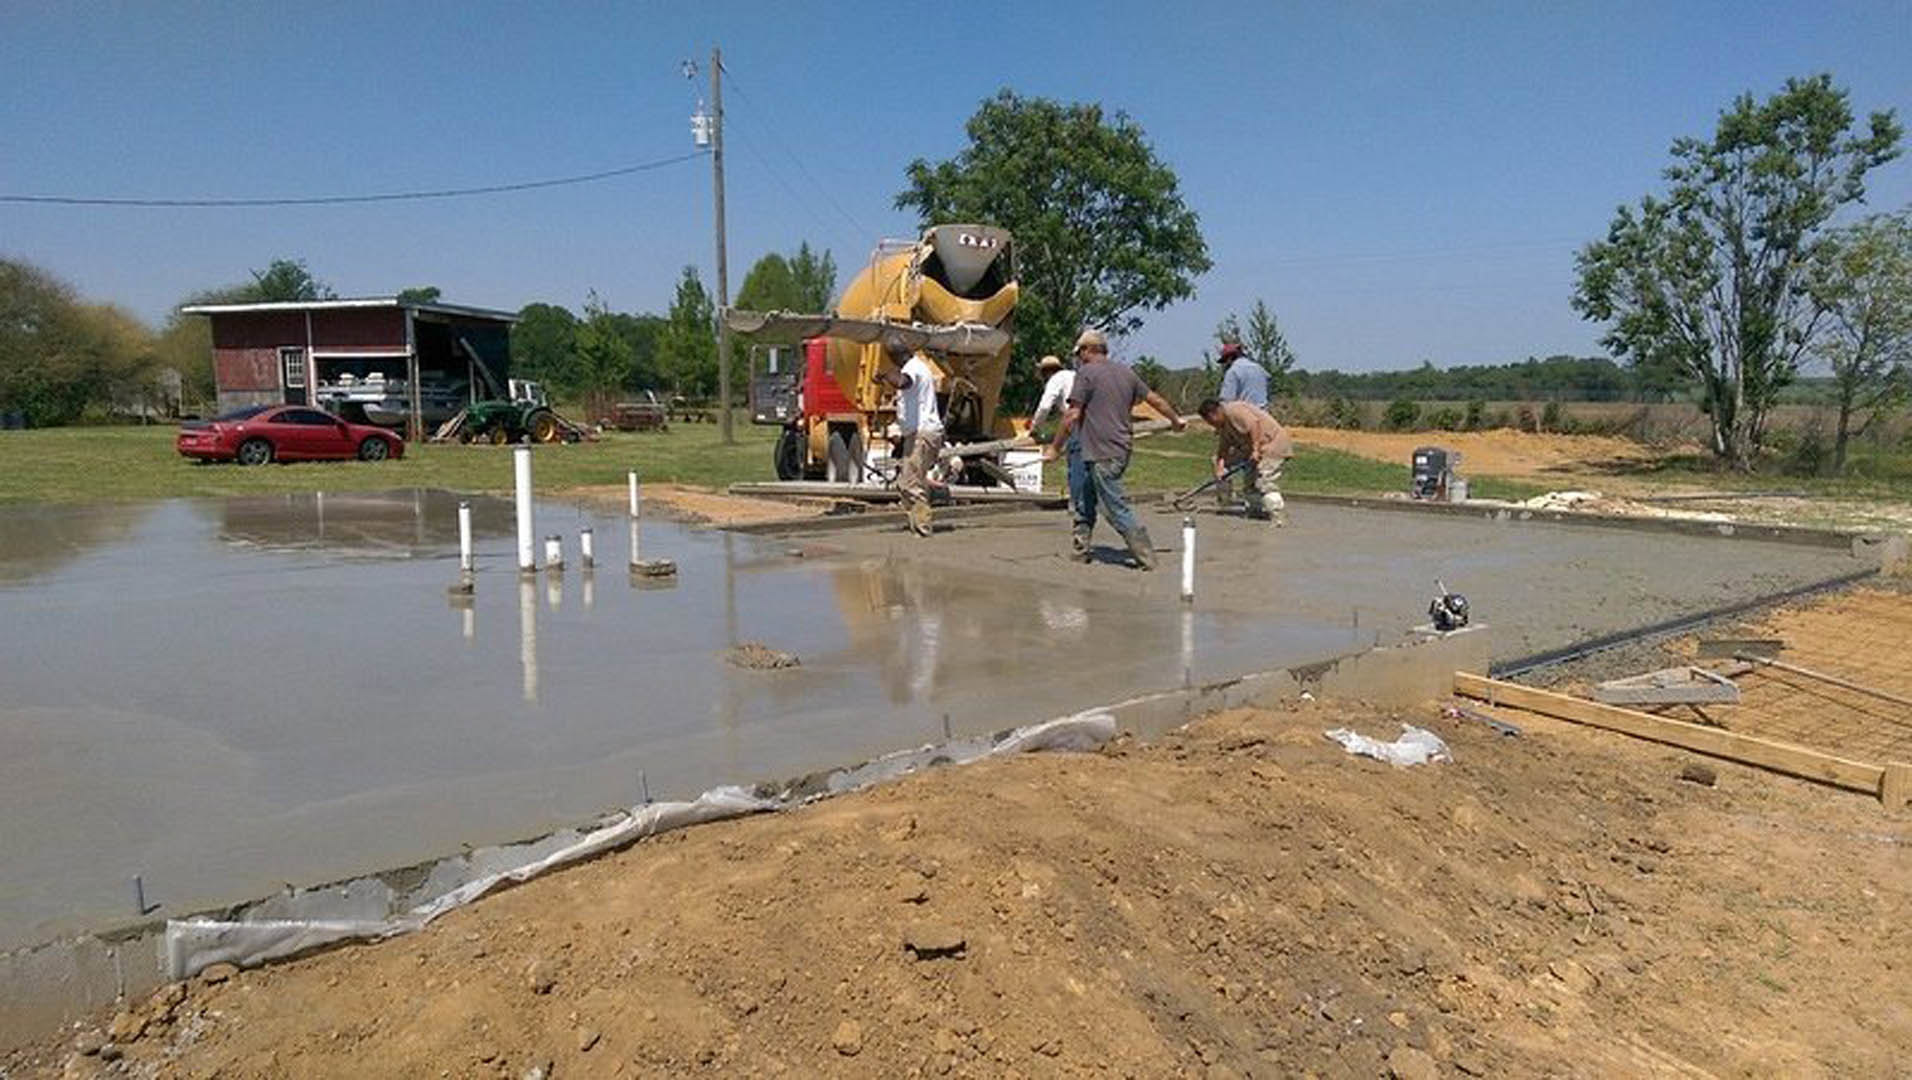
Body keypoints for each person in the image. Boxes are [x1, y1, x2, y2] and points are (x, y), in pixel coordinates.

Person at [1051, 328, 1185, 568]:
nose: (1079, 358)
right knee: (1084, 499)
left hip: (1104, 453)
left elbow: (1072, 415)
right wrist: (1175, 420)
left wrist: (1055, 447)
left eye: (1080, 352)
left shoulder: (1086, 373)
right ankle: (1080, 550)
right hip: (1113, 450)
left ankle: (1146, 556)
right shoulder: (1126, 373)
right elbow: (1154, 399)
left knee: (1113, 506)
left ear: (1087, 350)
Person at [874, 342, 943, 537]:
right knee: (907, 482)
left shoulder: (914, 369)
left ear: (897, 356)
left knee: (910, 483)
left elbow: (904, 382)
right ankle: (917, 523)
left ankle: (922, 528)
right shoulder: (915, 366)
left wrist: (886, 374)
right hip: (917, 433)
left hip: (923, 433)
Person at [1198, 397, 1293, 524]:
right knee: (1250, 483)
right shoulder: (1224, 425)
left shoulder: (1234, 410)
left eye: (1210, 421)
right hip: (1250, 449)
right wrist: (1220, 468)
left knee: (1265, 480)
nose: (1211, 425)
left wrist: (1255, 450)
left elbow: (1254, 424)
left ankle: (1278, 515)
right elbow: (1223, 448)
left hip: (1272, 444)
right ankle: (1253, 510)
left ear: (1215, 413)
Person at [1029, 354, 1089, 538]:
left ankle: (1077, 504)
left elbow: (1045, 406)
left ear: (1045, 372)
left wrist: (1034, 426)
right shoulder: (1074, 375)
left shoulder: (1056, 379)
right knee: (1089, 463)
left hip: (1076, 422)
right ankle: (1088, 501)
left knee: (1076, 463)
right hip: (1092, 420)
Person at [1217, 342, 1270, 409]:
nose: (1225, 364)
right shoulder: (1260, 368)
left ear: (1229, 358)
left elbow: (1226, 400)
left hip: (1246, 415)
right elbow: (1268, 389)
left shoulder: (1232, 372)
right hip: (1264, 414)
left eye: (1225, 361)